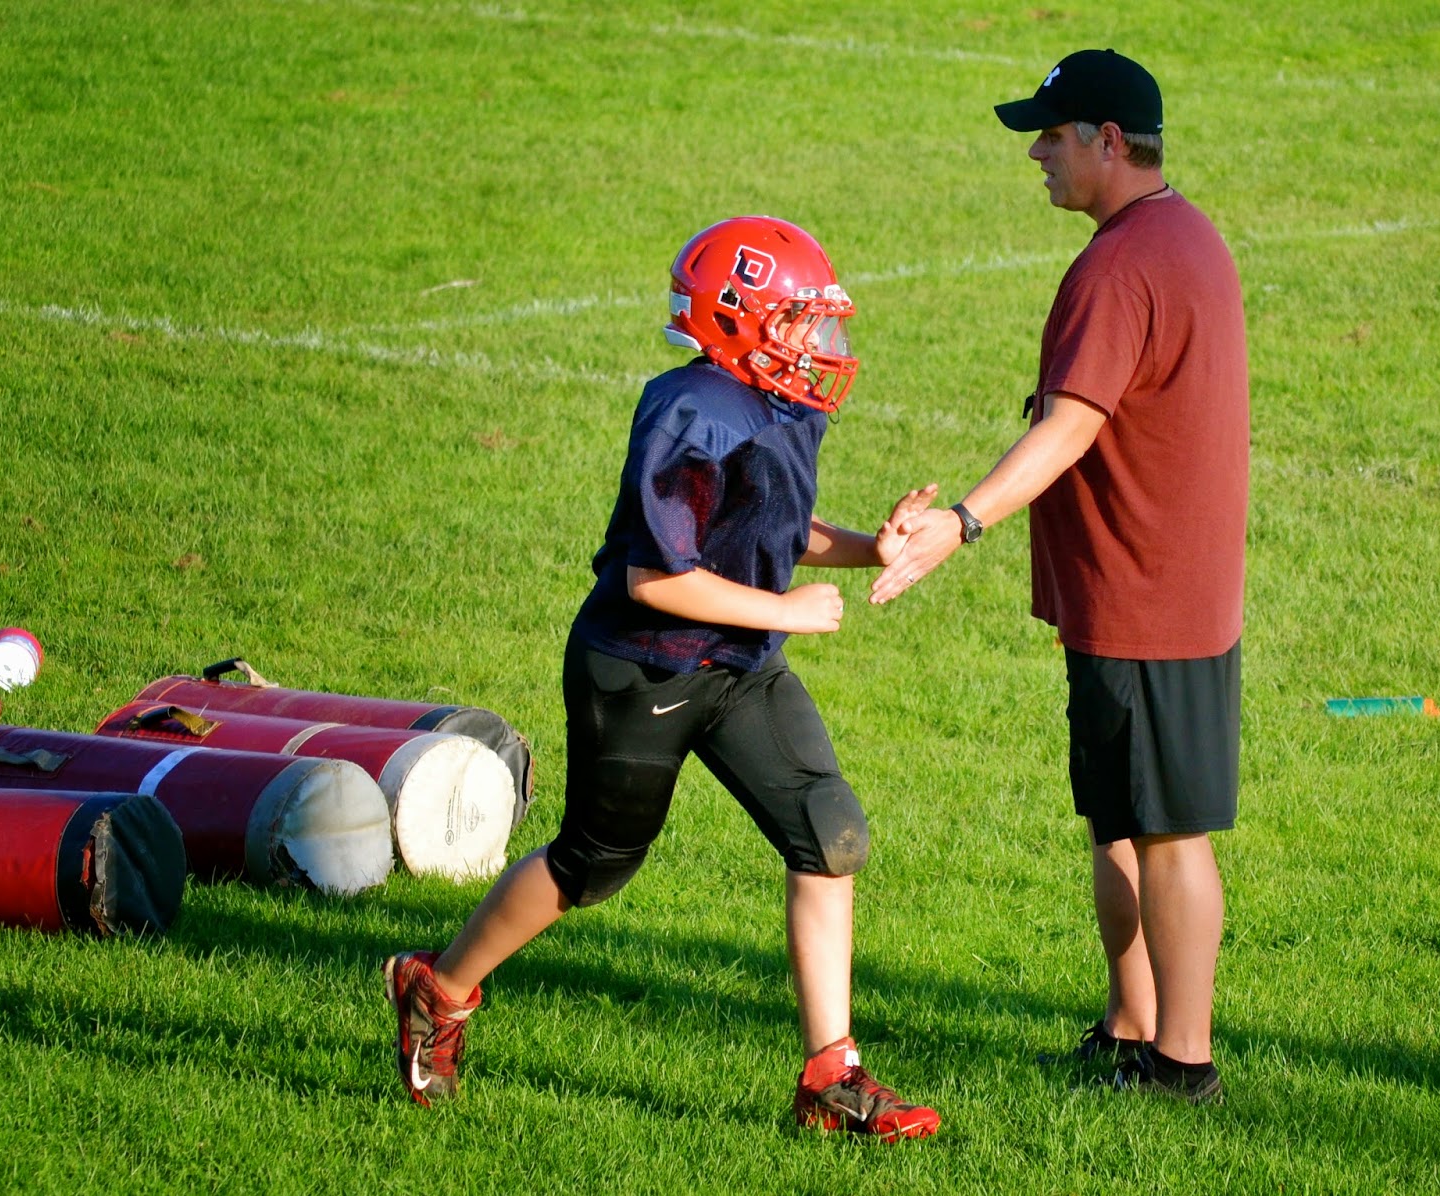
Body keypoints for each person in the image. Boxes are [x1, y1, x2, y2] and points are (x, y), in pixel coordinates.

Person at [384, 215, 941, 1140]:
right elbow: (660, 576)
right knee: (593, 865)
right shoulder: (693, 413)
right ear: (737, 321)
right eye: (798, 321)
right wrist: (791, 611)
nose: (818, 341)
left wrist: (860, 550)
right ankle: (437, 988)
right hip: (644, 667)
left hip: (739, 665)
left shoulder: (779, 404)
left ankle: (831, 1078)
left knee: (828, 833)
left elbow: (769, 522)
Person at [872, 49, 1248, 1105]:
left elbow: (1071, 425)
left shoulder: (1123, 264)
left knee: (1168, 828)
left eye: (1051, 133)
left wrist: (962, 521)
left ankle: (1182, 1062)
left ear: (1108, 143)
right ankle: (1133, 1025)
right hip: (1141, 586)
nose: (1036, 153)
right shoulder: (1179, 235)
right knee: (1119, 818)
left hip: (1150, 595)